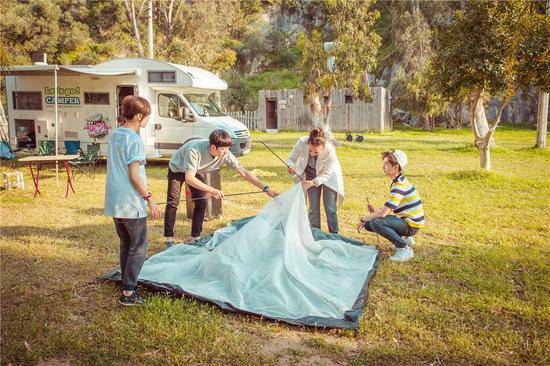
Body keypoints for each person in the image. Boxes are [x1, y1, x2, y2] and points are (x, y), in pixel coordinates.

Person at [164, 129, 278, 247]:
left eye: (227, 148)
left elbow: (243, 172)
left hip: (196, 169)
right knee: (173, 202)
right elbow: (189, 178)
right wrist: (212, 190)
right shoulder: (194, 150)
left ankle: (195, 238)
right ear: (213, 147)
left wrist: (266, 188)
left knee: (201, 202)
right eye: (222, 149)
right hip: (177, 168)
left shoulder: (226, 154)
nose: (226, 152)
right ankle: (169, 239)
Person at [104, 95, 162, 306]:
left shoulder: (115, 135)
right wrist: (149, 199)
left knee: (125, 244)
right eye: (146, 116)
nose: (147, 121)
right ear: (138, 116)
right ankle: (128, 293)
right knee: (138, 246)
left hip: (115, 201)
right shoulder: (134, 139)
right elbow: (134, 175)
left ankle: (125, 282)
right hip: (131, 202)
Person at [356, 150, 425, 262]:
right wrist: (375, 211)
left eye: (387, 164)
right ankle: (406, 239)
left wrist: (363, 219)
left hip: (411, 225)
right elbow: (389, 210)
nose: (383, 166)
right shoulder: (398, 181)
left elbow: (383, 214)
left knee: (375, 222)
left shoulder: (399, 185)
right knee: (370, 224)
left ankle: (404, 248)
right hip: (408, 221)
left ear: (396, 167)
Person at [286, 128, 345, 234]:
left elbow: (326, 174)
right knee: (313, 206)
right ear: (307, 143)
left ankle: (335, 233)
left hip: (329, 176)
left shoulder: (330, 150)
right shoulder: (301, 142)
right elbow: (291, 158)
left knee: (330, 206)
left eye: (316, 152)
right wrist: (291, 165)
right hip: (310, 174)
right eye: (310, 150)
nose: (312, 153)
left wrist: (314, 182)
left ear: (323, 146)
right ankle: (315, 231)